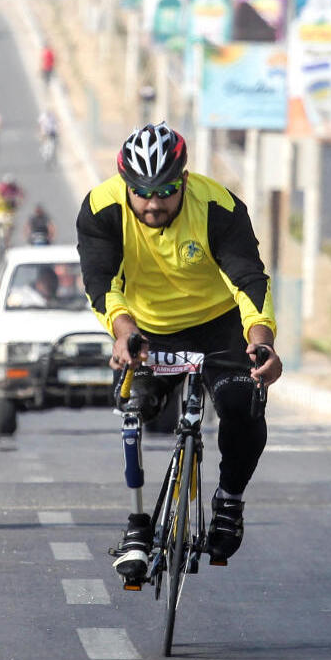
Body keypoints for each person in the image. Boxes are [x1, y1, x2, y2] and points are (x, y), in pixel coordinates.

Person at [76, 122, 283, 584]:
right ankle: (137, 525)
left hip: (219, 326)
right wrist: (124, 333)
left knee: (241, 403)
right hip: (147, 329)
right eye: (142, 192)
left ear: (184, 180)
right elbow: (101, 284)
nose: (154, 203)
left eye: (166, 190)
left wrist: (261, 339)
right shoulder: (101, 209)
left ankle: (229, 500)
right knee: (133, 407)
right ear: (125, 185)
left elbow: (249, 279)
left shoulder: (218, 206)